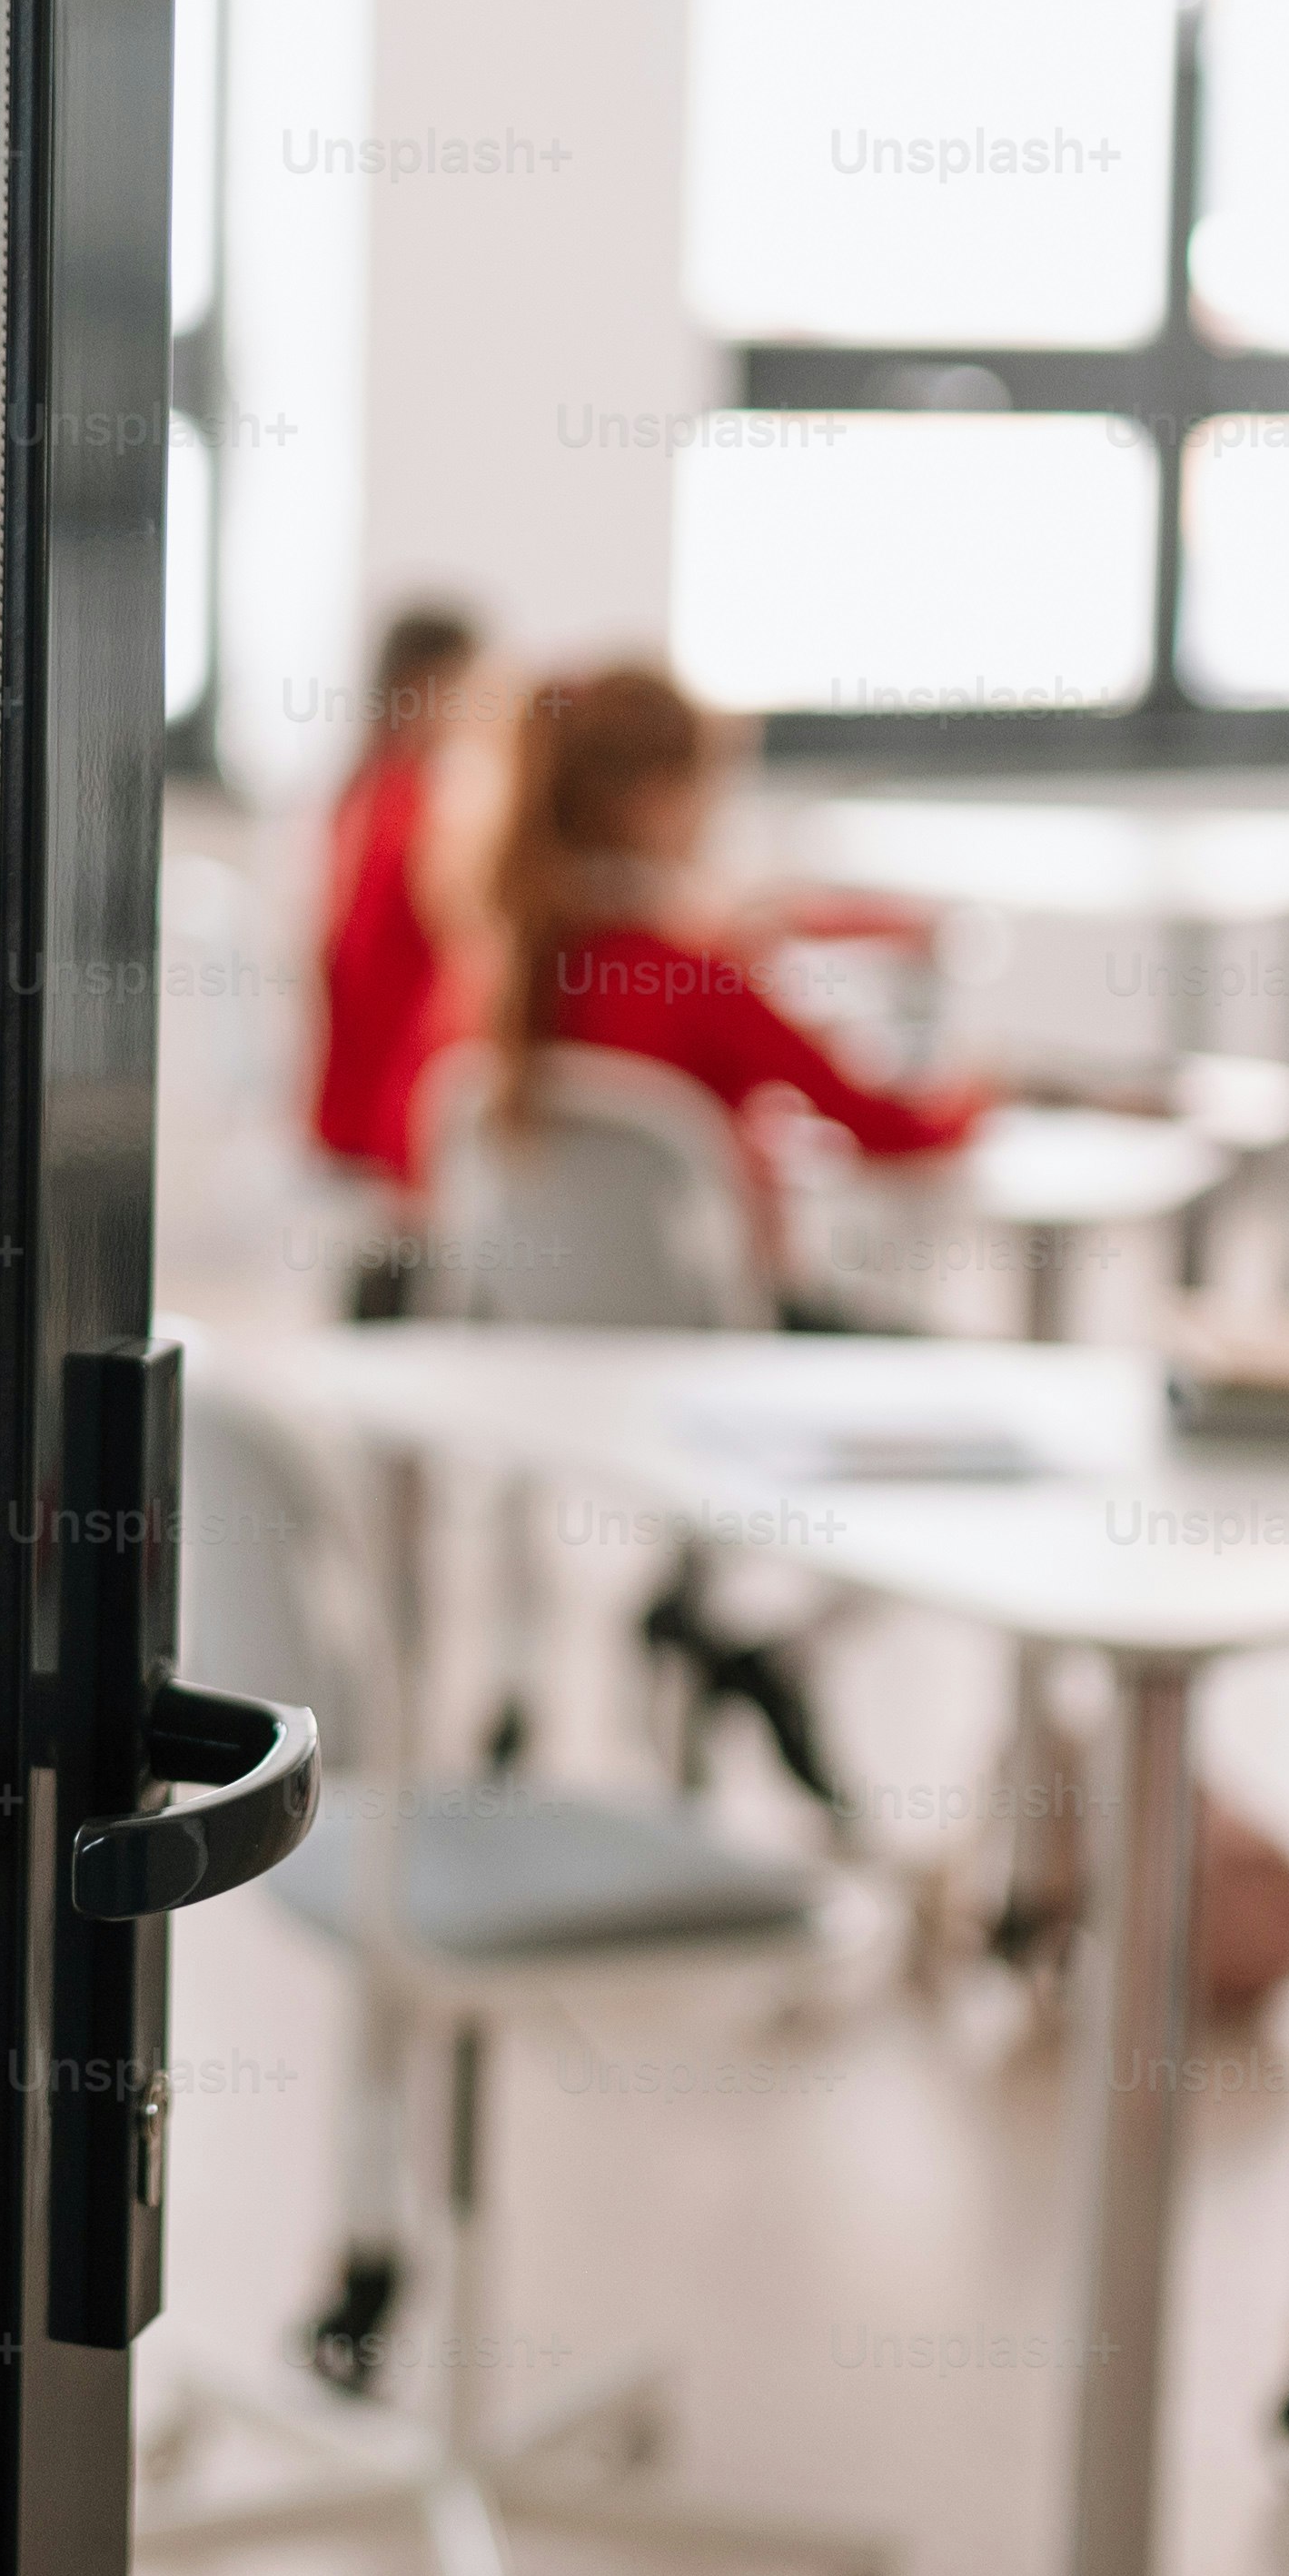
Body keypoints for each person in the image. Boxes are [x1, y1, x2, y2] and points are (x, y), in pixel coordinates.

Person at [478, 659, 996, 1819]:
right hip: (723, 1352)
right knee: (976, 1403)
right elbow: (890, 1128)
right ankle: (756, 1636)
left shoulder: (505, 972)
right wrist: (983, 1090)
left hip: (547, 1353)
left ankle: (713, 1624)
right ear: (657, 796)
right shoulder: (701, 975)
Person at [308, 599, 484, 1315]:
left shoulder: (364, 791)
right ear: (428, 687)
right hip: (398, 1079)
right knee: (407, 1261)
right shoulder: (412, 805)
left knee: (391, 1253)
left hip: (373, 1076)